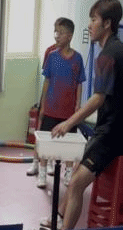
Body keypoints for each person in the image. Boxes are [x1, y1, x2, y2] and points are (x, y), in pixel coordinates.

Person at [35, 0, 123, 230]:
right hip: (116, 132)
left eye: (94, 20)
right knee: (76, 177)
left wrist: (68, 123)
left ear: (107, 24)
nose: (90, 25)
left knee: (76, 184)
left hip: (111, 136)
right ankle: (58, 219)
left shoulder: (108, 55)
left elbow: (97, 98)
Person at [27, 18, 85, 188]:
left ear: (70, 36)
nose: (56, 36)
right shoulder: (52, 56)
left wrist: (78, 105)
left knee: (69, 143)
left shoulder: (78, 59)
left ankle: (68, 174)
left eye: (60, 33)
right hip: (51, 108)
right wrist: (43, 105)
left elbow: (79, 83)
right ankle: (42, 173)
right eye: (55, 32)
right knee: (45, 142)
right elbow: (46, 82)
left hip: (69, 112)